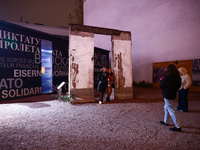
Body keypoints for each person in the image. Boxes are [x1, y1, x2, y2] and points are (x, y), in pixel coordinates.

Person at [159, 64, 182, 132]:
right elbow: (178, 86)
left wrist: (161, 80)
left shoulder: (168, 77)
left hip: (167, 95)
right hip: (173, 94)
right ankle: (166, 121)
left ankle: (178, 126)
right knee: (166, 108)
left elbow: (162, 86)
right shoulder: (178, 77)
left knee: (171, 110)